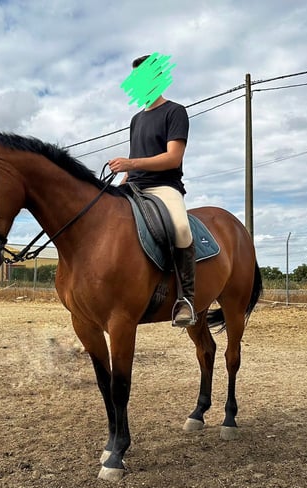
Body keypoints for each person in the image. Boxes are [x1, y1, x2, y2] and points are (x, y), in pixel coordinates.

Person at [108, 54, 196, 327]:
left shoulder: (175, 111)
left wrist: (130, 162)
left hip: (164, 187)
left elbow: (173, 158)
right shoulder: (136, 119)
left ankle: (186, 299)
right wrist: (121, 182)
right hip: (134, 186)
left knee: (181, 229)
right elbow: (137, 157)